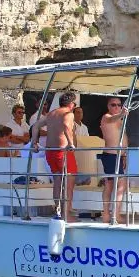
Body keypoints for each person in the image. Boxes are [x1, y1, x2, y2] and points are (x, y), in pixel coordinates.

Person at [38, 91, 80, 219]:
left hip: (50, 151)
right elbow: (66, 126)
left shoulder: (51, 114)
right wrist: (71, 143)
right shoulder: (68, 113)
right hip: (63, 151)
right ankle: (66, 215)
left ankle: (59, 212)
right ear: (71, 104)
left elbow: (35, 127)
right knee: (69, 182)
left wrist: (34, 142)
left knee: (57, 181)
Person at [98, 96, 128, 225]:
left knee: (111, 184)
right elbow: (111, 118)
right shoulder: (106, 117)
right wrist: (121, 114)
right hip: (111, 156)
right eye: (113, 105)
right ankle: (112, 214)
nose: (116, 107)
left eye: (118, 105)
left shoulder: (120, 120)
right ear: (108, 106)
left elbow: (122, 138)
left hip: (118, 156)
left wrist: (124, 155)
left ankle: (108, 214)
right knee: (119, 184)